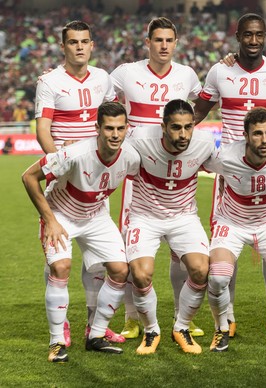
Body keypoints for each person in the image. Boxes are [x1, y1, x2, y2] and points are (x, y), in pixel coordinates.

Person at [194, 13, 266, 337]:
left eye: (259, 35)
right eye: (248, 35)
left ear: (265, 36)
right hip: (229, 169)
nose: (254, 41)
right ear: (237, 35)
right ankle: (227, 316)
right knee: (227, 251)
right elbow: (197, 112)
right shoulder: (219, 70)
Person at [22, 102, 140, 362]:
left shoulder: (131, 156)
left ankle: (95, 335)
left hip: (96, 216)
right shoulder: (73, 153)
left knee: (121, 270)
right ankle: (56, 342)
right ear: (97, 128)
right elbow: (28, 176)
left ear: (127, 128)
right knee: (61, 267)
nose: (115, 134)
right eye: (109, 128)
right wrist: (49, 220)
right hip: (61, 214)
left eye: (120, 128)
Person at [110, 16, 205, 340]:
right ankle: (132, 317)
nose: (164, 46)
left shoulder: (187, 76)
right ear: (148, 42)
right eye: (158, 40)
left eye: (169, 40)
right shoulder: (126, 72)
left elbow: (204, 104)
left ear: (175, 43)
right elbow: (100, 95)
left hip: (172, 165)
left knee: (183, 255)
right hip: (139, 171)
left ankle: (185, 316)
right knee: (130, 253)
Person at [34, 20, 123, 347]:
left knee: (97, 262)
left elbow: (114, 113)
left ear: (92, 45)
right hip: (64, 181)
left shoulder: (103, 78)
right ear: (63, 46)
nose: (80, 47)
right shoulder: (50, 81)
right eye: (73, 42)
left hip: (97, 181)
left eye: (85, 41)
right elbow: (43, 128)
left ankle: (93, 324)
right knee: (59, 260)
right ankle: (61, 326)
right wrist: (58, 163)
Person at [203, 108, 266, 351]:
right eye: (257, 133)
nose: (264, 140)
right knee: (218, 278)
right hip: (231, 224)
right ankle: (221, 328)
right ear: (245, 135)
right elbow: (189, 161)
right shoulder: (224, 156)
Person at [124, 99, 214, 355]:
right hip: (144, 216)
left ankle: (181, 327)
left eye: (188, 127)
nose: (183, 134)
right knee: (141, 274)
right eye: (176, 127)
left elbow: (235, 160)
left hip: (184, 217)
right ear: (163, 126)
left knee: (200, 270)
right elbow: (109, 149)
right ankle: (151, 330)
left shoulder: (205, 143)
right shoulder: (139, 139)